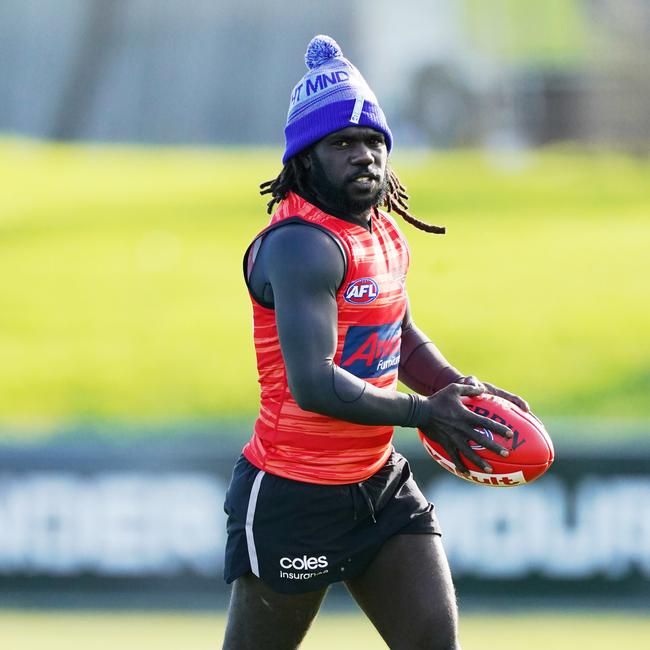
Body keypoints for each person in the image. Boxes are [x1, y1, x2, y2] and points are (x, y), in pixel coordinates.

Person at [222, 35, 528, 650]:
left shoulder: (384, 232)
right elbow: (313, 383)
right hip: (295, 490)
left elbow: (400, 335)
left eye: (373, 143)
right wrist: (423, 413)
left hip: (378, 484)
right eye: (342, 144)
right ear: (304, 159)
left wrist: (454, 388)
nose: (364, 156)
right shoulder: (300, 245)